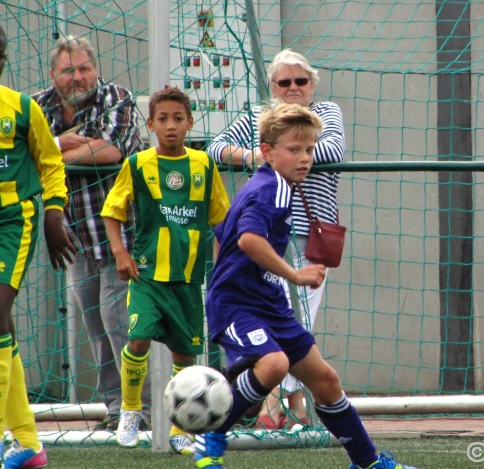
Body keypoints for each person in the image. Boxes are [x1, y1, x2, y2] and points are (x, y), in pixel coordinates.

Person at [197, 102, 415, 469]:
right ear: (266, 152)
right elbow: (249, 240)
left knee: (326, 381)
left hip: (266, 303)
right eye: (294, 149)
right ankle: (210, 433)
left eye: (309, 149)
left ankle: (368, 462)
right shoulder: (272, 189)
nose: (305, 158)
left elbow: (224, 235)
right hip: (238, 305)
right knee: (274, 364)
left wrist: (234, 271)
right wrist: (294, 275)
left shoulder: (273, 185)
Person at [207, 48, 345, 427]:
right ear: (272, 86)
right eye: (284, 82)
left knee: (301, 324)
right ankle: (274, 403)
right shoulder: (258, 118)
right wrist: (259, 155)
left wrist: (290, 147)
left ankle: (285, 402)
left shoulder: (326, 112)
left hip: (309, 235)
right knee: (281, 322)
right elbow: (215, 147)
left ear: (312, 83)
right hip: (268, 234)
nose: (293, 88)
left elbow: (333, 148)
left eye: (301, 80)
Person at [101, 86, 230, 453]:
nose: (170, 126)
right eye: (163, 119)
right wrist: (120, 253)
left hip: (187, 280)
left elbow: (222, 221)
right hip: (146, 274)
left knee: (185, 358)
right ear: (151, 124)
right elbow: (113, 211)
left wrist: (221, 266)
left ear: (189, 122)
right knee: (138, 338)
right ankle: (130, 411)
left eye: (177, 118)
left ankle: (180, 430)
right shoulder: (138, 165)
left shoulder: (204, 165)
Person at [32, 35, 147, 432]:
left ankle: (143, 410)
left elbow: (110, 151)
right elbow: (24, 154)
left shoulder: (117, 98)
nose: (77, 78)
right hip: (75, 237)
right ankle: (117, 408)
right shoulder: (37, 105)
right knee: (96, 327)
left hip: (124, 235)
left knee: (123, 323)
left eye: (84, 69)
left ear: (94, 69)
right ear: (53, 75)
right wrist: (60, 144)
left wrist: (50, 152)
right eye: (68, 71)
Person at [0, 25, 77, 469]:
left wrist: (53, 213)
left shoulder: (22, 108)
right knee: (3, 326)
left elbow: (50, 163)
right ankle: (28, 443)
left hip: (15, 222)